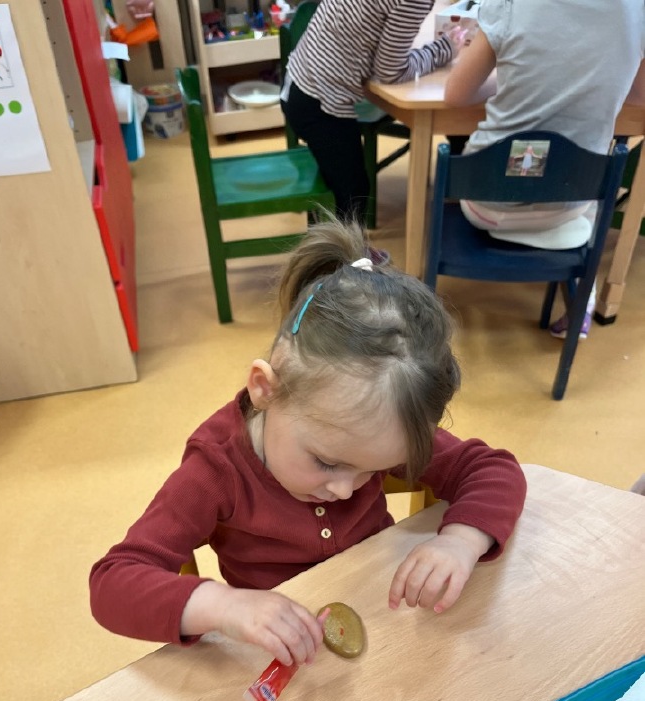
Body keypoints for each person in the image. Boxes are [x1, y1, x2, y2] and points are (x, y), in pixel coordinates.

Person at [90, 216, 527, 667]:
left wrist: (460, 541)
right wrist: (223, 606)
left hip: (380, 619)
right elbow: (112, 584)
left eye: (373, 471)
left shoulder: (370, 424)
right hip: (275, 652)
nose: (345, 490)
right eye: (326, 462)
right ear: (265, 389)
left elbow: (493, 469)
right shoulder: (215, 471)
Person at [444, 0, 645, 340]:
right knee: (591, 177)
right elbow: (639, 96)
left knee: (516, 161)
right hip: (569, 208)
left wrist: (511, 80)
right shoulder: (636, 10)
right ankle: (583, 292)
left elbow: (455, 95)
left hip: (487, 202)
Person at [280, 0, 465, 231]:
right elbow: (390, 71)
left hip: (301, 78)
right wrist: (444, 48)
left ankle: (344, 246)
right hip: (319, 99)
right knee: (353, 193)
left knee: (349, 187)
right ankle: (344, 251)